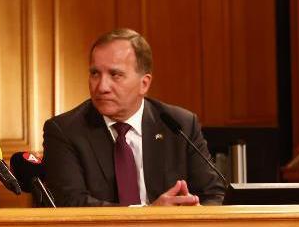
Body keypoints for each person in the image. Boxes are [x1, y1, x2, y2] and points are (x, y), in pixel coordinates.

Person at [42, 29, 226, 207]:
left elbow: (213, 194)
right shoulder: (65, 131)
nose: (102, 87)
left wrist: (194, 212)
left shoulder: (180, 125)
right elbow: (71, 203)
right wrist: (149, 215)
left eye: (115, 75)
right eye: (95, 73)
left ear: (144, 84)